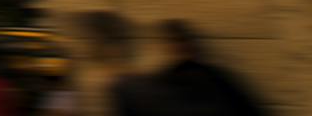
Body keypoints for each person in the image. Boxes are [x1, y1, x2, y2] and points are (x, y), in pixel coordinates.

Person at [113, 20, 265, 116]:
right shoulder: (159, 84)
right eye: (175, 42)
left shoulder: (213, 77)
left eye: (181, 41)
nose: (180, 47)